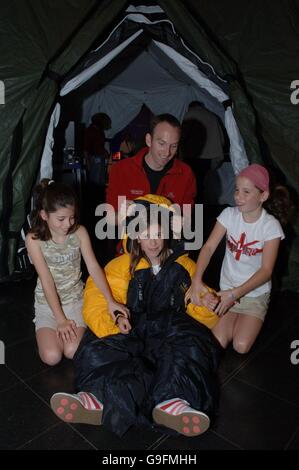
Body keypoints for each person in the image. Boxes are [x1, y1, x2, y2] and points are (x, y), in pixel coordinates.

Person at [50, 195, 221, 438]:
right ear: (136, 235)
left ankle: (174, 403)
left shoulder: (185, 266)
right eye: (146, 235)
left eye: (157, 234)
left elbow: (201, 308)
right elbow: (99, 296)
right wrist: (115, 320)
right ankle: (94, 398)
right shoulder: (121, 265)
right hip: (131, 326)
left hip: (168, 329)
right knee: (100, 346)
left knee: (190, 344)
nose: (152, 242)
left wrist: (205, 302)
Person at [186, 164, 291, 354]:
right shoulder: (229, 215)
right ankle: (232, 316)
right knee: (217, 341)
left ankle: (253, 316)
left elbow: (266, 271)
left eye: (246, 192)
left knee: (241, 346)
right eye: (236, 190)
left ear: (263, 196)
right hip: (226, 292)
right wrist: (196, 279)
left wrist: (236, 294)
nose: (238, 196)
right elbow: (208, 247)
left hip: (253, 295)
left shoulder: (270, 227)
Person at [26, 179, 129, 366]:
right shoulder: (33, 239)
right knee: (52, 357)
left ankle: (73, 329)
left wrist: (110, 300)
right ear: (44, 215)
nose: (68, 224)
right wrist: (60, 319)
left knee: (72, 351)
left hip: (75, 299)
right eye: (61, 219)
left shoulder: (79, 232)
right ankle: (47, 334)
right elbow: (46, 280)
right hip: (47, 304)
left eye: (72, 217)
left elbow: (93, 267)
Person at [106, 113, 197, 224]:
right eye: (162, 143)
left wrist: (182, 223)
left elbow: (186, 221)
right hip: (130, 239)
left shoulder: (186, 174)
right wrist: (121, 215)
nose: (167, 152)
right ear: (149, 140)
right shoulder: (121, 170)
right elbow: (110, 220)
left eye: (173, 146)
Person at [180, 101, 225, 203]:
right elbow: (221, 139)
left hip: (192, 157)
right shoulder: (212, 116)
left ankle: (193, 216)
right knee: (200, 186)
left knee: (190, 187)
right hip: (208, 158)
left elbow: (182, 137)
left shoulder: (189, 115)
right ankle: (200, 215)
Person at [84, 113, 111, 188]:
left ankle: (99, 197)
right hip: (94, 159)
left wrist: (105, 152)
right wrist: (88, 162)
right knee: (95, 182)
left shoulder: (99, 131)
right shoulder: (90, 130)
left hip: (100, 158)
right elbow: (86, 148)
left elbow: (99, 145)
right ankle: (95, 197)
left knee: (101, 182)